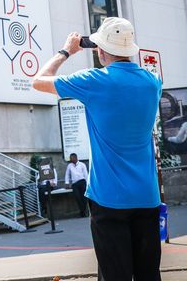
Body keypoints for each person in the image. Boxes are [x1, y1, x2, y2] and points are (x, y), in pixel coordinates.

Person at [32, 17, 162, 281]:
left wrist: (66, 50)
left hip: (109, 198)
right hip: (146, 196)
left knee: (115, 275)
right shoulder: (153, 83)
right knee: (149, 275)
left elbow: (38, 80)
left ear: (101, 51)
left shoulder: (93, 81)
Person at [64, 153, 89, 217]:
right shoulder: (69, 165)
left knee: (84, 197)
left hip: (82, 182)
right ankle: (82, 211)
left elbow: (86, 174)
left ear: (76, 158)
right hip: (74, 184)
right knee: (77, 197)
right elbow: (67, 174)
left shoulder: (82, 165)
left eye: (72, 158)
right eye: (70, 158)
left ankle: (82, 212)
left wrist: (87, 184)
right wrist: (67, 183)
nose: (71, 159)